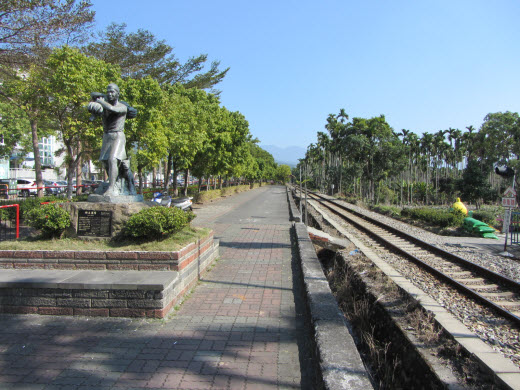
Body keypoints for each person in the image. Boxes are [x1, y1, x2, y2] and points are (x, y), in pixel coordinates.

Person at [88, 83, 135, 196]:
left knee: (113, 159)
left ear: (117, 94)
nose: (110, 94)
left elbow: (113, 109)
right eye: (108, 91)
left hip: (118, 136)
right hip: (107, 136)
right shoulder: (104, 106)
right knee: (107, 162)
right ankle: (118, 182)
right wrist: (94, 107)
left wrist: (101, 102)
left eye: (112, 91)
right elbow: (94, 104)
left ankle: (112, 187)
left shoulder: (122, 106)